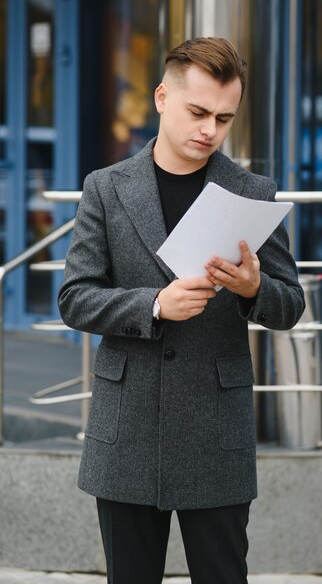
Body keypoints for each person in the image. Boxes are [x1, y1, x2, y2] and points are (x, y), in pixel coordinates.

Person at [58, 36, 305, 584]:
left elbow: (290, 306)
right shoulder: (105, 187)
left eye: (223, 119)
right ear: (162, 97)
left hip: (216, 431)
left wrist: (252, 288)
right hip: (129, 430)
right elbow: (74, 298)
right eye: (198, 112)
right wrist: (154, 304)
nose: (209, 131)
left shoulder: (252, 192)